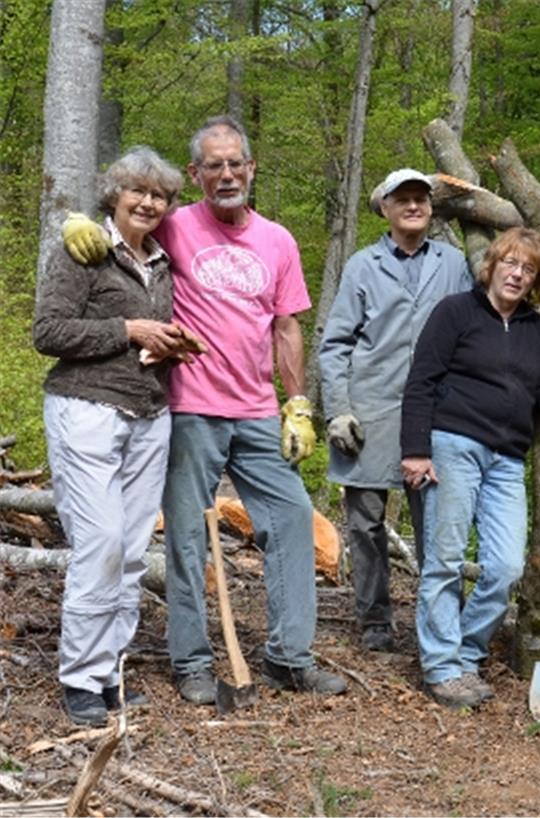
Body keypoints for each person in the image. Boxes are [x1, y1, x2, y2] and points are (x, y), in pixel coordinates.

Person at [63, 116, 347, 704]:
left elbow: (287, 326)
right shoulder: (175, 224)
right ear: (195, 174)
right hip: (189, 407)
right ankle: (191, 660)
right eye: (212, 165)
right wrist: (76, 225)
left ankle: (289, 658)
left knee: (293, 520)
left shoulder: (278, 241)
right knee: (188, 538)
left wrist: (296, 404)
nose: (226, 174)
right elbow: (125, 222)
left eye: (235, 162)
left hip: (257, 411)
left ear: (251, 168)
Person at [35, 147, 199, 724]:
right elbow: (48, 331)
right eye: (139, 191)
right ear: (114, 194)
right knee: (99, 543)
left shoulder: (162, 262)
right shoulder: (84, 250)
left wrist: (164, 347)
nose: (150, 202)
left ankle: (108, 672)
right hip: (86, 409)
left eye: (161, 195)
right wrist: (126, 328)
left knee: (130, 552)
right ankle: (78, 677)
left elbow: (144, 341)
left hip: (150, 414)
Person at [400, 227, 540, 709]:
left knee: (506, 566)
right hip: (452, 446)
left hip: (507, 458)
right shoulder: (456, 312)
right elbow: (421, 379)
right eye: (510, 263)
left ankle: (465, 652)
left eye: (528, 269)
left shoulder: (534, 329)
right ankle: (442, 668)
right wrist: (415, 450)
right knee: (444, 560)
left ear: (536, 280)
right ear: (492, 265)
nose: (517, 274)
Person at [319, 168, 472, 653]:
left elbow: (472, 334)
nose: (413, 206)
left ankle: (442, 619)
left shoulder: (453, 263)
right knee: (365, 522)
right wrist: (338, 409)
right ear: (383, 208)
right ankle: (375, 619)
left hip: (438, 412)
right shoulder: (363, 265)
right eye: (402, 199)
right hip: (371, 411)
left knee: (438, 520)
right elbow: (336, 343)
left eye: (421, 199)